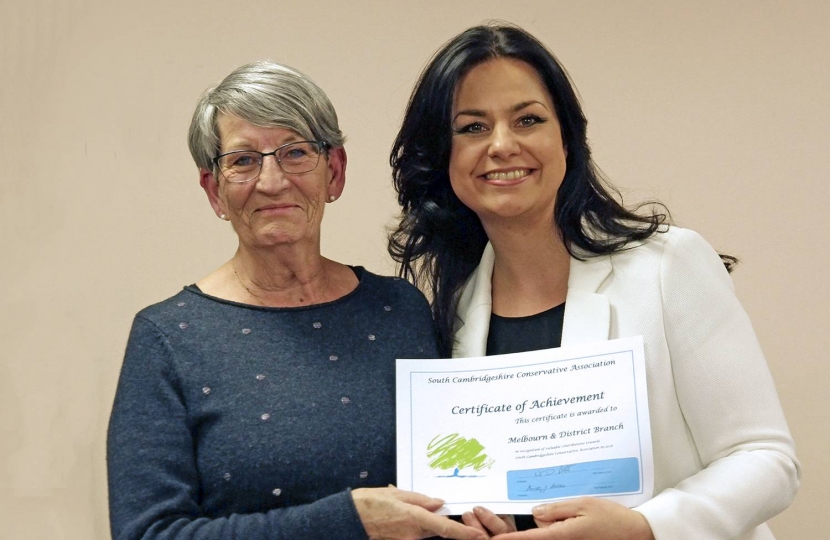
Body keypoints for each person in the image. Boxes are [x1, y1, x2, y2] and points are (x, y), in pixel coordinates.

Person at [389, 24, 800, 540]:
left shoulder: (669, 264)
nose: (501, 145)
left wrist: (644, 527)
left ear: (566, 137)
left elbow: (767, 459)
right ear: (441, 156)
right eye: (471, 127)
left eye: (528, 120)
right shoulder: (454, 311)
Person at [107, 61, 489, 540]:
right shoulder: (167, 338)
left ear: (334, 172)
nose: (272, 181)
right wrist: (349, 521)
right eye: (243, 160)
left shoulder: (400, 309)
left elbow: (456, 470)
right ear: (215, 191)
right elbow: (147, 534)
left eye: (295, 152)